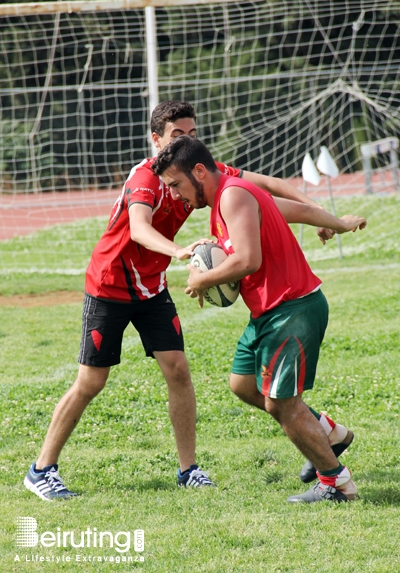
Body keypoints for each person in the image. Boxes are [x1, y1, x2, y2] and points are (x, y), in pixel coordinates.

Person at [24, 101, 352, 501]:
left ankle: (188, 470)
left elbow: (269, 190)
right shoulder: (147, 177)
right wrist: (180, 253)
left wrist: (326, 216)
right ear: (156, 138)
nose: (188, 139)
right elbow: (140, 230)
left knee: (178, 370)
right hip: (110, 285)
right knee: (92, 381)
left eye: (192, 132)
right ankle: (42, 469)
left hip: (153, 287)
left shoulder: (198, 170)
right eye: (178, 134)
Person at [151, 135, 367, 503]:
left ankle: (336, 484)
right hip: (269, 313)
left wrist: (202, 278)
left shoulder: (233, 195)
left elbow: (248, 260)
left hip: (290, 308)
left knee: (281, 403)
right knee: (242, 384)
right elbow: (293, 210)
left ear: (199, 171)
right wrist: (338, 223)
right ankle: (327, 432)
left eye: (176, 185)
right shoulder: (231, 197)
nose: (174, 196)